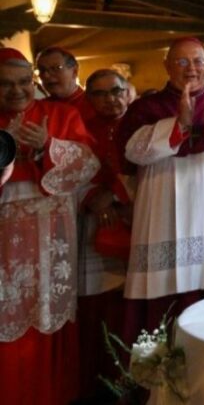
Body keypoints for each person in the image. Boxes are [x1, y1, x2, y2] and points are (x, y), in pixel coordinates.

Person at [117, 38, 204, 334]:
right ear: (167, 66)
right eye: (181, 62)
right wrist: (178, 125)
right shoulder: (147, 107)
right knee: (163, 290)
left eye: (197, 61)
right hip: (162, 209)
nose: (191, 69)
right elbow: (131, 150)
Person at [0, 48, 99, 405]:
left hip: (49, 234)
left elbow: (88, 165)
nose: (17, 91)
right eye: (6, 84)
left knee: (46, 309)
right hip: (5, 243)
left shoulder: (61, 113)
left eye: (24, 82)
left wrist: (48, 147)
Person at [79, 69, 134, 399]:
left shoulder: (142, 126)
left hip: (139, 217)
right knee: (102, 307)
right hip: (97, 230)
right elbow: (73, 174)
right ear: (89, 99)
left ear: (127, 92)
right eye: (99, 94)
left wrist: (114, 195)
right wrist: (93, 198)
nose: (109, 99)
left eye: (115, 91)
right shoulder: (81, 129)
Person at [36, 46, 95, 122]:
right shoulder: (40, 107)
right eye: (42, 70)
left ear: (74, 71)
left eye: (56, 68)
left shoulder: (93, 104)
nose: (46, 75)